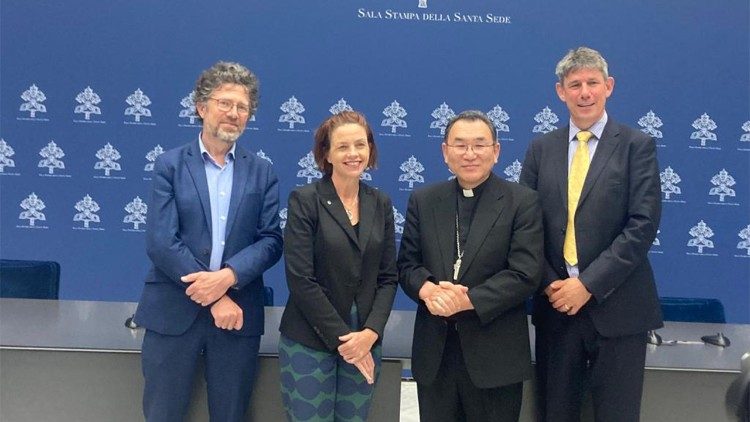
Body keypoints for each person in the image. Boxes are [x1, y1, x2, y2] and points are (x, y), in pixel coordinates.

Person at [133, 61, 283, 422]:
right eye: (224, 103)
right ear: (202, 107)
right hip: (173, 313)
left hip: (237, 318)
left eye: (242, 107)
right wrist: (216, 294)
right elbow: (161, 242)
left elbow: (270, 241)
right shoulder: (169, 165)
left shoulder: (261, 171)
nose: (233, 113)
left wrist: (228, 278)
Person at [520, 47, 662, 422]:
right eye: (575, 84)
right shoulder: (540, 149)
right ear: (560, 92)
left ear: (609, 87)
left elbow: (642, 224)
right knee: (556, 413)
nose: (585, 92)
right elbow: (526, 226)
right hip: (557, 309)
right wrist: (552, 283)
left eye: (592, 83)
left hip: (619, 308)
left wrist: (588, 284)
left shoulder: (637, 146)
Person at [398, 110, 543, 421]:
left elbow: (525, 273)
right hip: (436, 356)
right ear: (445, 152)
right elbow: (407, 264)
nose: (469, 154)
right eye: (460, 145)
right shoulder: (424, 200)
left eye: (479, 145)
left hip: (495, 356)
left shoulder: (522, 201)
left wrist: (464, 301)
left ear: (496, 151)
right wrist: (428, 291)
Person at [279, 111, 398, 422]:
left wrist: (370, 333)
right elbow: (301, 279)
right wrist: (346, 341)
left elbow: (388, 277)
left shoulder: (380, 203)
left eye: (360, 144)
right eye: (343, 146)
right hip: (311, 338)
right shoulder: (305, 200)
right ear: (326, 153)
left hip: (366, 339)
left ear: (370, 150)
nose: (353, 154)